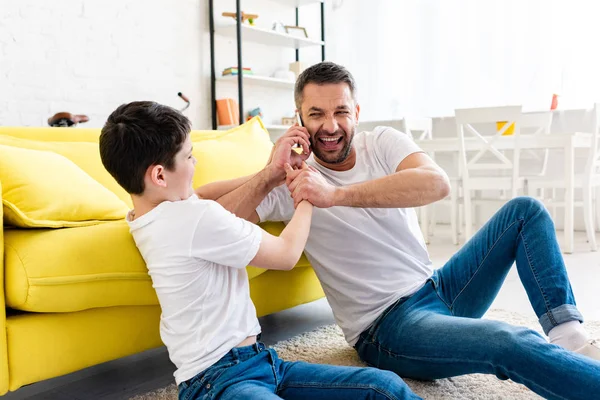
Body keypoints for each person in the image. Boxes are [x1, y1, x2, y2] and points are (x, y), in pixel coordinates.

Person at [199, 62, 600, 399]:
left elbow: (435, 183)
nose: (331, 125)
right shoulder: (293, 181)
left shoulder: (383, 143)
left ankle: (568, 336)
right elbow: (201, 208)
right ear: (299, 121)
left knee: (524, 211)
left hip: (438, 288)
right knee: (509, 340)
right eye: (316, 114)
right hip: (388, 328)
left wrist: (334, 196)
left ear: (357, 110)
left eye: (340, 111)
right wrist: (270, 173)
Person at [99, 101, 421, 400]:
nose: (195, 163)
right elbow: (286, 253)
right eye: (188, 156)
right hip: (218, 382)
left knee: (382, 386)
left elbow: (207, 201)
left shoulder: (147, 217)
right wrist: (308, 192)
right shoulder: (192, 218)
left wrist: (272, 172)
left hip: (261, 362)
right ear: (159, 175)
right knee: (384, 389)